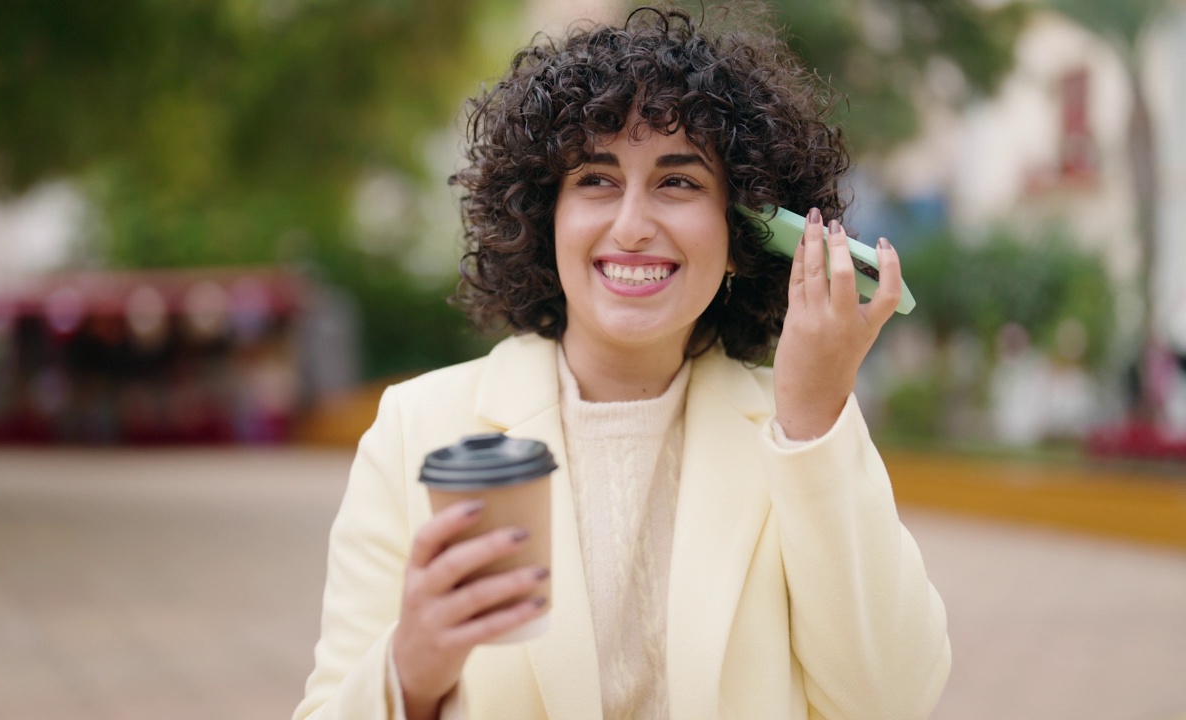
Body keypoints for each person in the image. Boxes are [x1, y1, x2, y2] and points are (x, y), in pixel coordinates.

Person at [293, 6, 950, 720]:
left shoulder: (800, 433)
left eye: (679, 183)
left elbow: (892, 701)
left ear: (741, 237)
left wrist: (813, 419)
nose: (633, 226)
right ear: (545, 219)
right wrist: (409, 670)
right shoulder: (416, 429)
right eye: (597, 181)